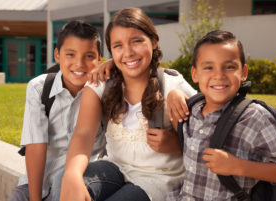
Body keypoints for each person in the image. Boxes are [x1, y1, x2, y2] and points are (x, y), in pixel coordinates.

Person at [60, 7, 196, 201]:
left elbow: (208, 131)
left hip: (159, 178)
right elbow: (83, 134)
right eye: (118, 46)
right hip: (115, 168)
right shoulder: (100, 84)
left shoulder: (173, 84)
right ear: (111, 52)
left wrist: (176, 143)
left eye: (137, 41)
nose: (128, 52)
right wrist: (72, 174)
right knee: (69, 184)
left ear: (154, 42)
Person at [166, 30, 276, 201]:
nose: (219, 75)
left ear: (243, 72)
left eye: (229, 66)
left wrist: (238, 166)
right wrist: (174, 94)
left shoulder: (255, 118)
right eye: (208, 67)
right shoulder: (193, 109)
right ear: (195, 74)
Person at [9, 20, 105, 201]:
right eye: (70, 54)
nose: (79, 64)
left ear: (99, 58)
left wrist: (113, 65)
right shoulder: (39, 88)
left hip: (83, 178)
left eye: (89, 56)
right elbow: (36, 145)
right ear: (57, 55)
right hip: (40, 181)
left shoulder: (105, 90)